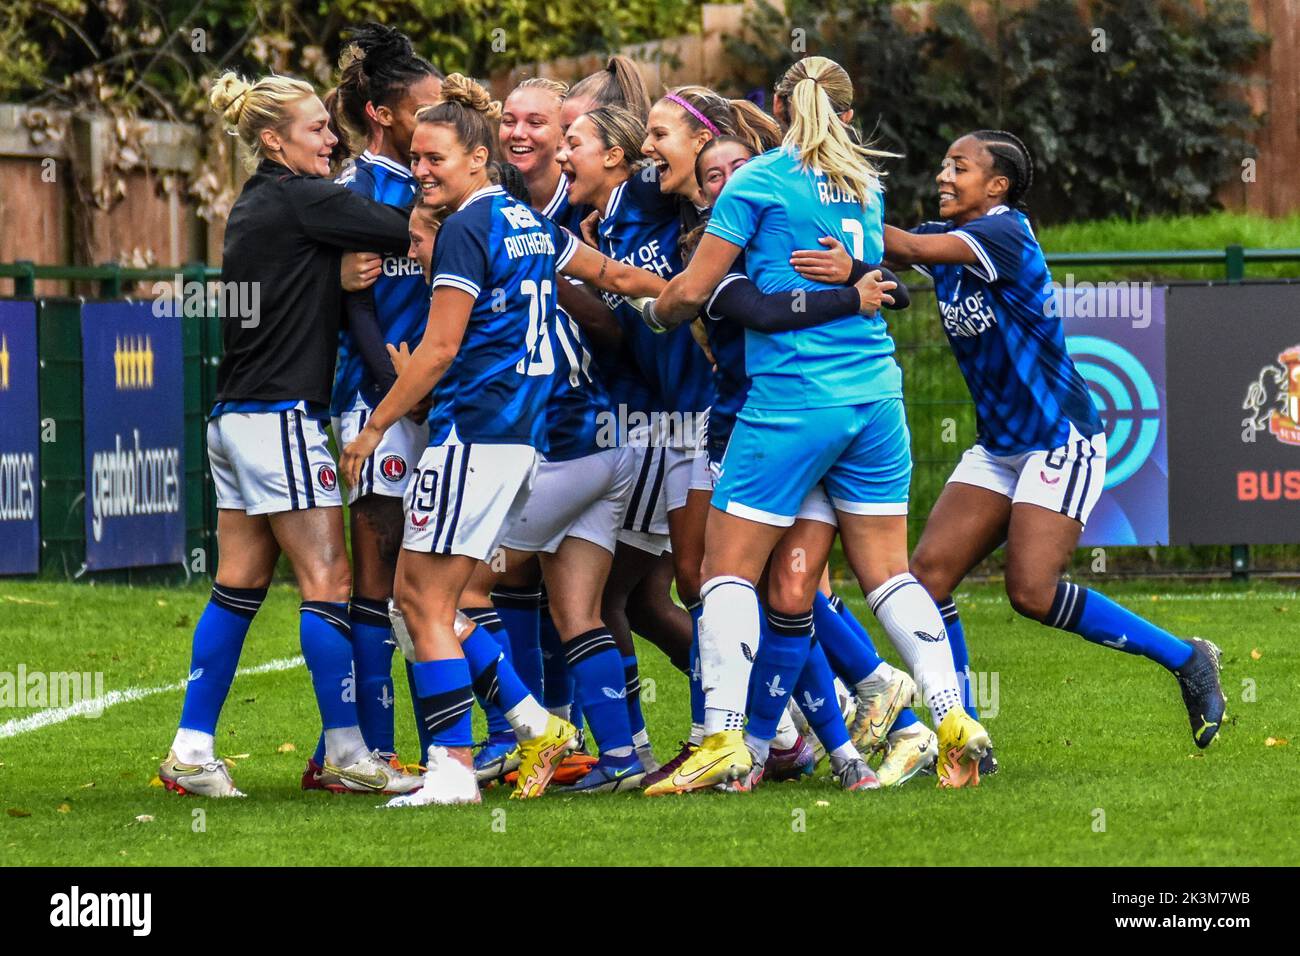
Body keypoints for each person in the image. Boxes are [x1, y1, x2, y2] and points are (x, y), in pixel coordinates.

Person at [642, 56, 990, 792]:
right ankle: (956, 717)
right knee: (887, 573)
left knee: (723, 570)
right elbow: (877, 280)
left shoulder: (757, 181)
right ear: (847, 112)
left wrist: (659, 308)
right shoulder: (864, 183)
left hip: (793, 401)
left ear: (776, 106)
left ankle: (727, 740)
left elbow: (696, 289)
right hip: (875, 396)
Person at [339, 76, 667, 806]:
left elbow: (439, 348)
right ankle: (530, 721)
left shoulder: (464, 228)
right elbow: (609, 274)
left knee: (421, 604)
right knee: (427, 598)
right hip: (520, 440)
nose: (421, 171)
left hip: (476, 432)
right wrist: (680, 293)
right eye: (416, 158)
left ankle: (454, 769)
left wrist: (374, 425)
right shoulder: (524, 219)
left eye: (435, 159)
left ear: (478, 159)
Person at [853, 130, 1224, 753]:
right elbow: (893, 263)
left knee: (1030, 592)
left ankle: (1187, 660)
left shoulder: (1003, 232)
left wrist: (838, 198)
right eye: (943, 163)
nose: (944, 175)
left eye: (959, 167)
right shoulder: (950, 239)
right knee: (927, 577)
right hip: (1001, 446)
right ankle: (964, 734)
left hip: (1060, 439)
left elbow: (905, 245)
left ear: (997, 186)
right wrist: (865, 278)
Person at [159, 71, 421, 798]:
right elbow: (411, 229)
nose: (332, 138)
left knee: (239, 585)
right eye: (316, 128)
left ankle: (190, 749)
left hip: (236, 419)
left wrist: (331, 278)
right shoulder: (307, 199)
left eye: (331, 128)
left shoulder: (259, 203)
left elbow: (291, 285)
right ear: (272, 140)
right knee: (329, 581)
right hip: (278, 419)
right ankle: (344, 753)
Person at [295, 21, 443, 790]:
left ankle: (431, 747)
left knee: (435, 578)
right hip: (376, 404)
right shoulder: (352, 192)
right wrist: (388, 384)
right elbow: (347, 294)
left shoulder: (441, 179)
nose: (440, 120)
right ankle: (370, 751)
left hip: (442, 404)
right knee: (379, 575)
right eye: (427, 108)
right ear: (385, 114)